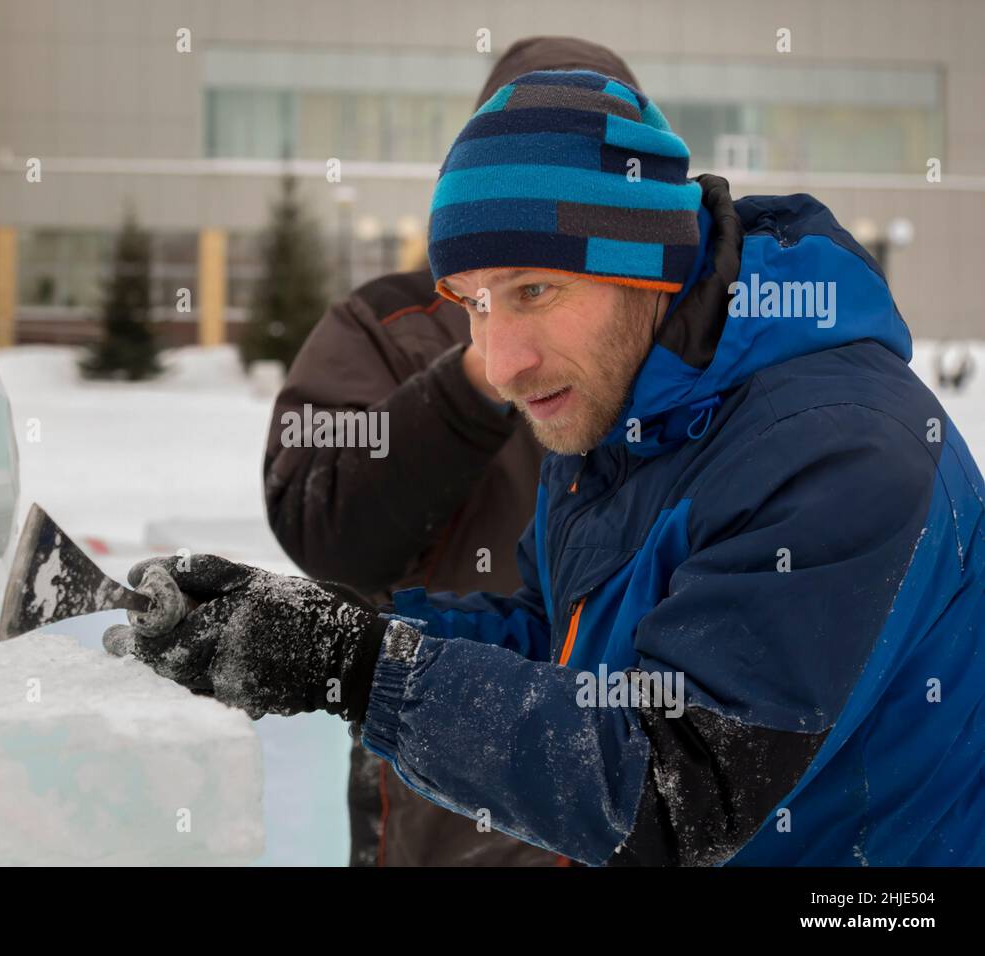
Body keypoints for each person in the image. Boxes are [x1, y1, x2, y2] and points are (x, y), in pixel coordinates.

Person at [109, 68, 985, 865]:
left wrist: (359, 665)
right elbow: (557, 642)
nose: (500, 363)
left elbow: (669, 790)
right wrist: (327, 628)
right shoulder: (623, 415)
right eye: (477, 305)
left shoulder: (842, 449)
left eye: (534, 290)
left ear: (650, 270)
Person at [262, 36, 641, 867]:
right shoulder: (385, 322)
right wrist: (475, 377)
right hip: (447, 808)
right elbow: (322, 525)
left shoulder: (667, 332)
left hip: (651, 800)